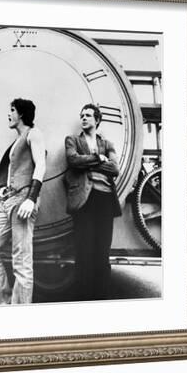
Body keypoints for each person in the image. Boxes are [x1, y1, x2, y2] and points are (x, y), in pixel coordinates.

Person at [0, 98, 46, 305]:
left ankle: (20, 316)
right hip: (8, 201)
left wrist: (31, 198)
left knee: (22, 261)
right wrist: (4, 190)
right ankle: (5, 304)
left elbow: (41, 165)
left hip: (23, 200)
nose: (9, 114)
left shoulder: (34, 134)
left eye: (12, 110)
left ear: (22, 114)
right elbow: (14, 170)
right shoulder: (17, 141)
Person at [64, 103, 122, 301]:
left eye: (88, 115)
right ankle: (83, 297)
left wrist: (89, 162)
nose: (84, 118)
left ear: (97, 120)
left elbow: (115, 169)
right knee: (84, 250)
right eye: (82, 115)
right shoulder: (72, 140)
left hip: (105, 200)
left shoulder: (108, 143)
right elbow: (73, 161)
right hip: (84, 201)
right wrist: (99, 158)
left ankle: (101, 296)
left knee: (102, 251)